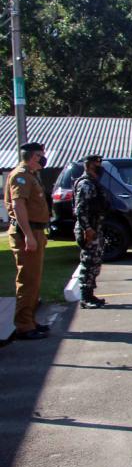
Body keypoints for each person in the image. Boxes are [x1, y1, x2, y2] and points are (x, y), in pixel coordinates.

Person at [4, 142, 51, 339]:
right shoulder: (20, 175)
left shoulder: (31, 175)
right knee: (27, 280)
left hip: (36, 230)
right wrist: (29, 236)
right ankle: (24, 326)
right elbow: (18, 206)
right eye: (41, 155)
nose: (43, 158)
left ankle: (29, 320)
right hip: (27, 232)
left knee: (34, 279)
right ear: (33, 156)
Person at [73, 155, 111, 308]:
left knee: (95, 262)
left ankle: (90, 294)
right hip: (88, 229)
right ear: (88, 166)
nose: (100, 167)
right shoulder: (85, 184)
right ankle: (85, 297)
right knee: (88, 262)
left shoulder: (94, 183)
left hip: (96, 228)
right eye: (97, 164)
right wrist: (87, 229)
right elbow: (80, 209)